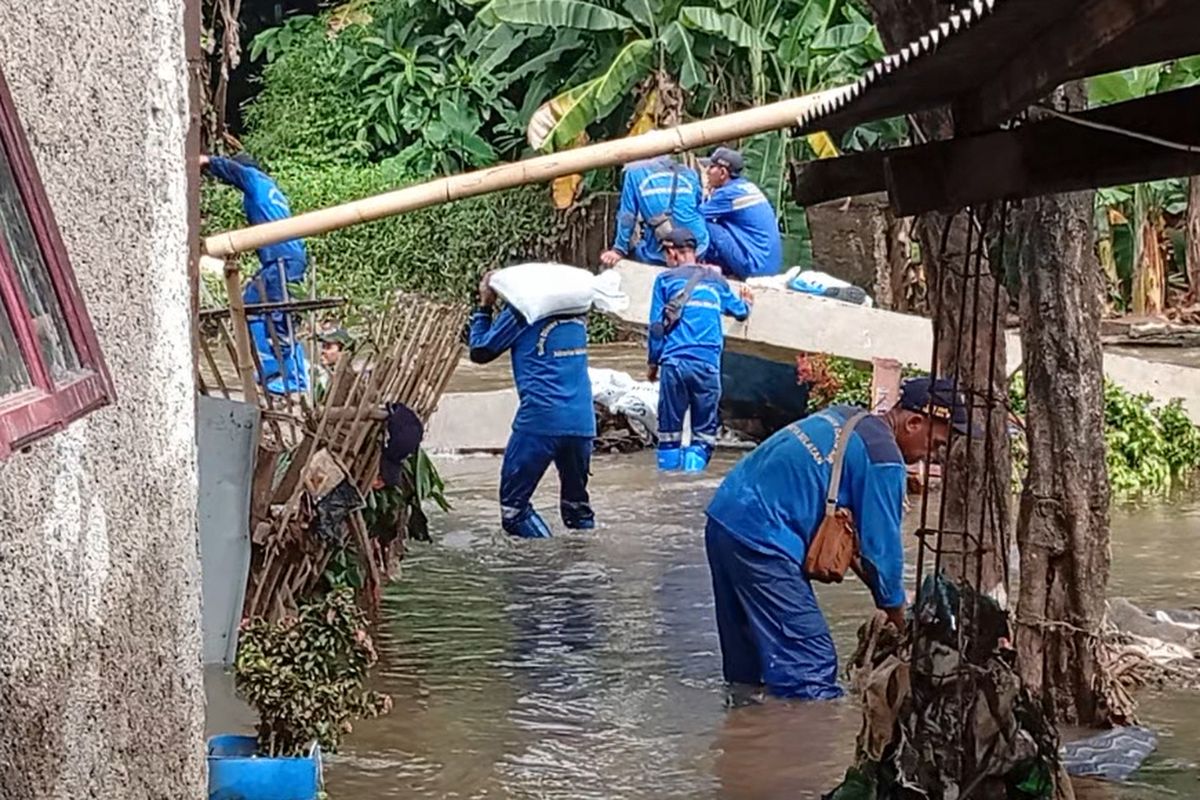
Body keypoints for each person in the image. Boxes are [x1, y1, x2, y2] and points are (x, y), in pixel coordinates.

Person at [704, 377, 972, 700]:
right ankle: (806, 745)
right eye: (937, 444)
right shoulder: (884, 458)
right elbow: (881, 553)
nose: (933, 456)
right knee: (812, 666)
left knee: (748, 665)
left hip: (724, 517)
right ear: (914, 423)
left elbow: (859, 545)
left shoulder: (846, 417)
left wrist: (892, 597)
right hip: (764, 539)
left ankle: (744, 737)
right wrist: (902, 621)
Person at [468, 271, 596, 538]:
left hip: (540, 422)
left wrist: (485, 306)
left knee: (513, 511)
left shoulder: (522, 312)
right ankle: (585, 567)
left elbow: (480, 351)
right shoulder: (578, 313)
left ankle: (546, 568)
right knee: (577, 508)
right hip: (583, 422)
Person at [200, 152, 309, 394]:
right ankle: (270, 371)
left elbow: (237, 173)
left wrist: (208, 162)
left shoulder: (255, 180)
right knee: (250, 304)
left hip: (283, 259)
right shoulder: (272, 191)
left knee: (280, 318)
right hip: (280, 259)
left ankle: (294, 378)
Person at [647, 227, 752, 473]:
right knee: (703, 436)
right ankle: (691, 487)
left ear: (672, 252)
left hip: (674, 365)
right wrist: (747, 301)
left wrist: (653, 362)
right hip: (707, 366)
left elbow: (656, 328)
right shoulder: (716, 280)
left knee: (669, 434)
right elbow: (740, 311)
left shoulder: (665, 280)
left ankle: (668, 490)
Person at [600, 156, 710, 268]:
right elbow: (698, 205)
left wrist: (619, 249)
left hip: (661, 252)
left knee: (641, 250)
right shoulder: (689, 173)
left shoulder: (633, 173)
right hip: (698, 244)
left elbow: (628, 216)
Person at [699, 147, 783, 280]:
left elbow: (697, 216)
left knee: (703, 223)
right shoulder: (746, 187)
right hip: (768, 265)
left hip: (754, 266)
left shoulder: (728, 193)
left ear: (722, 173)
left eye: (711, 167)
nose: (707, 172)